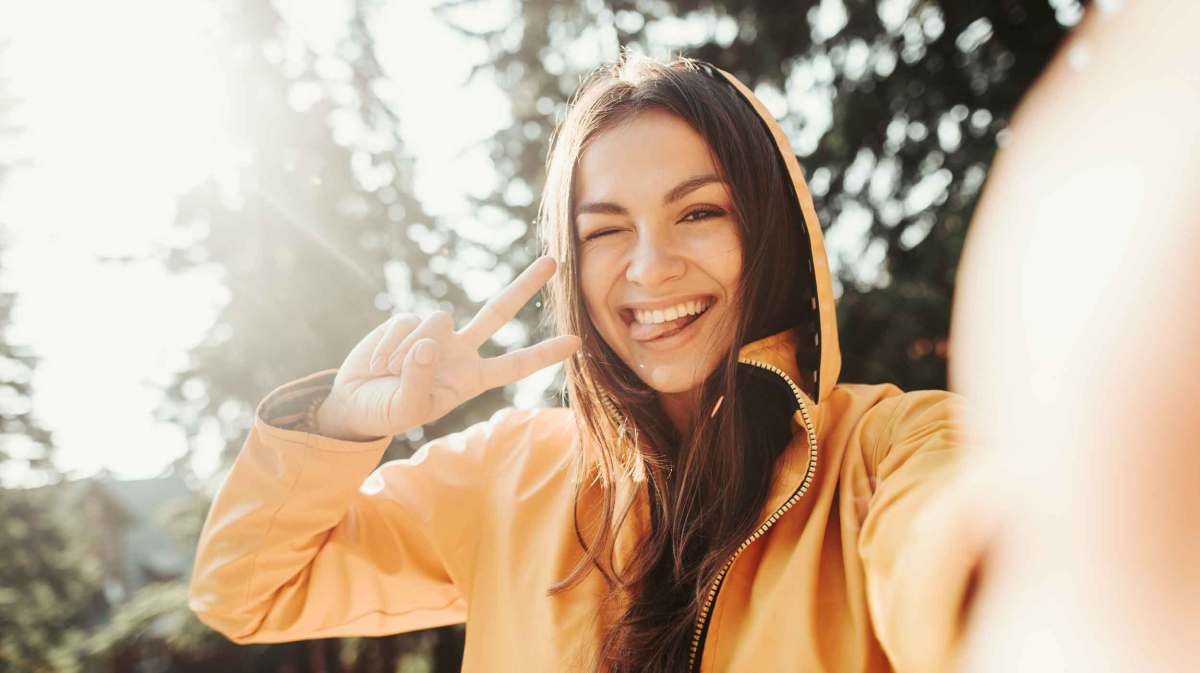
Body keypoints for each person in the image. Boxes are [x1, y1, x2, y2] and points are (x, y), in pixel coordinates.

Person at [188, 56, 984, 673]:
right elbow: (247, 590)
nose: (651, 266)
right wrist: (339, 426)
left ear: (768, 229)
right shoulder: (508, 474)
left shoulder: (890, 452)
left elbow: (985, 592)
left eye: (699, 212)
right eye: (605, 229)